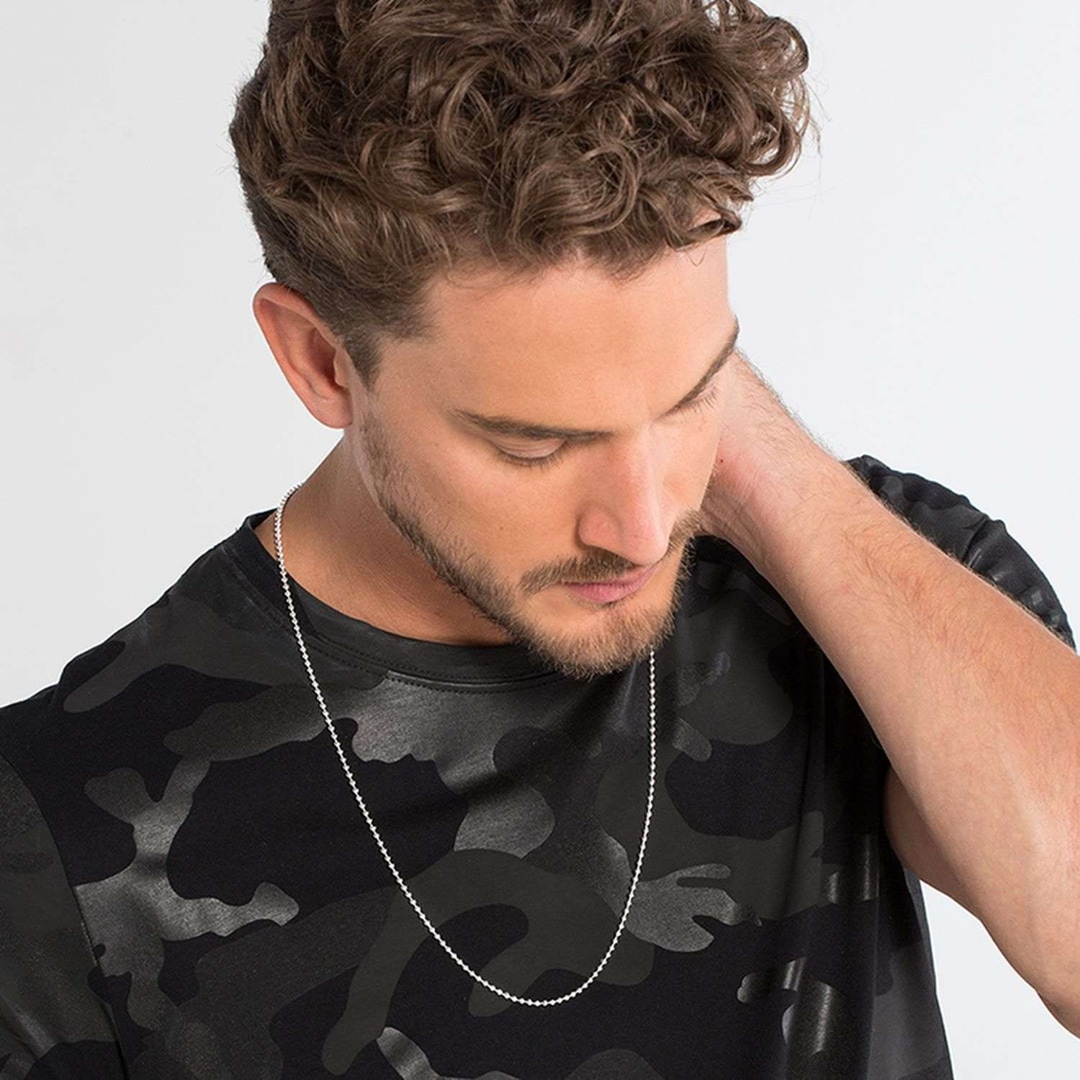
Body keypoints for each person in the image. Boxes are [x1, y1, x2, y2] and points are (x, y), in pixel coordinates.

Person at [2, 0, 1078, 1076]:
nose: (643, 526)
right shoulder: (58, 832)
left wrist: (761, 466)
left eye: (695, 395)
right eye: (537, 443)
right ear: (323, 362)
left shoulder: (883, 581)